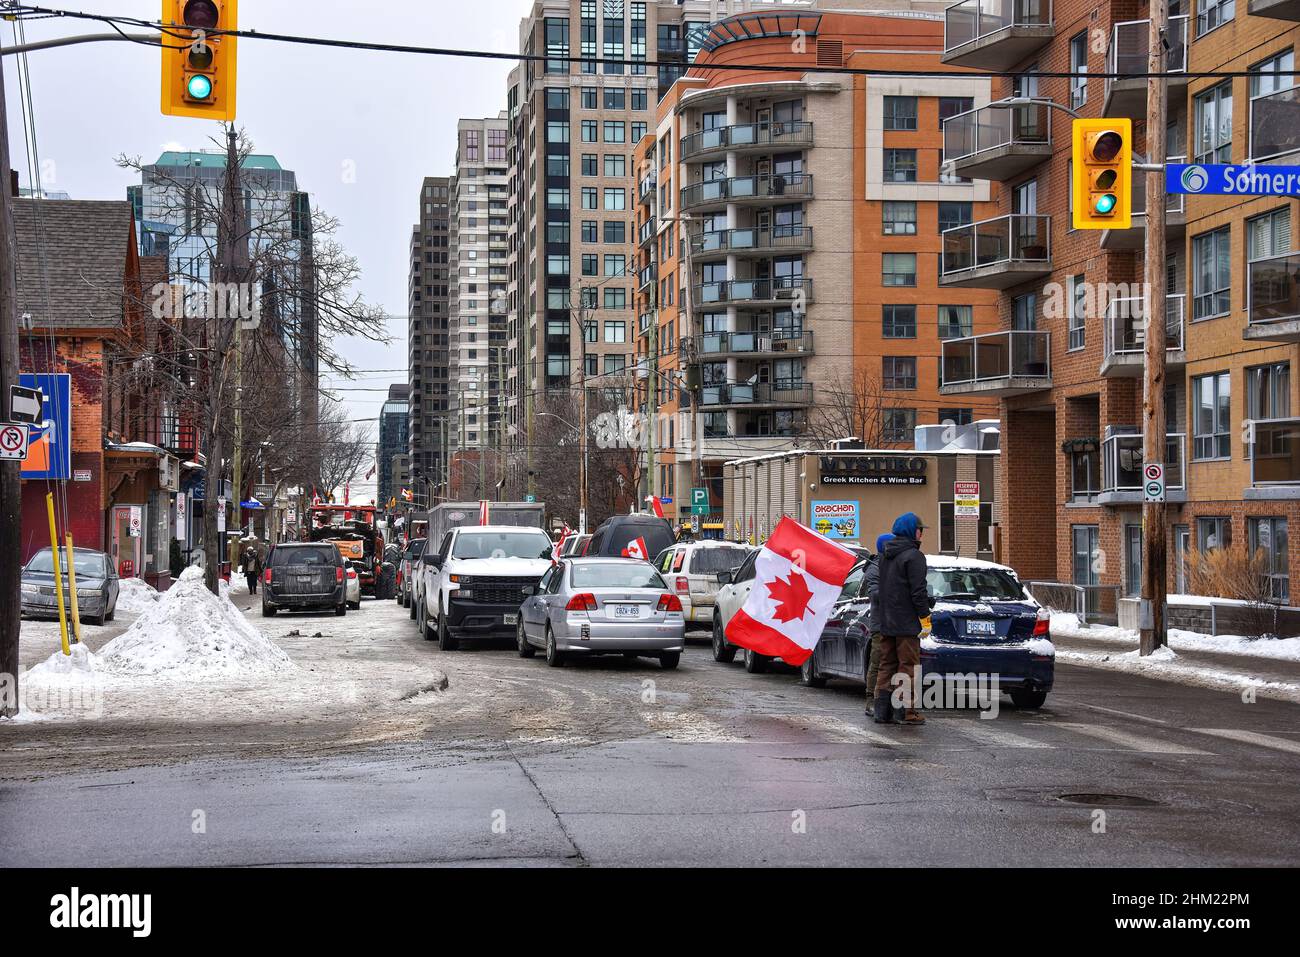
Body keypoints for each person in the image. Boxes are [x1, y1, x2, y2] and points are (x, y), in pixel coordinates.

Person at [873, 513, 931, 726]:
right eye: (920, 529)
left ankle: (882, 711)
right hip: (907, 623)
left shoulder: (886, 555)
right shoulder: (914, 556)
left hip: (887, 621)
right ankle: (905, 711)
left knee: (886, 664)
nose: (921, 533)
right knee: (908, 665)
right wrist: (925, 616)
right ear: (912, 531)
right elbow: (918, 591)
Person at [862, 532, 893, 717]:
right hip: (880, 623)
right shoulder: (874, 568)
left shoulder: (893, 565)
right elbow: (875, 594)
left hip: (895, 622)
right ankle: (871, 700)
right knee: (877, 661)